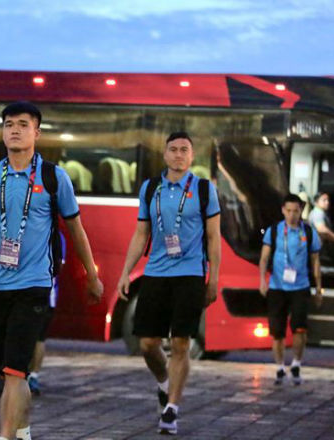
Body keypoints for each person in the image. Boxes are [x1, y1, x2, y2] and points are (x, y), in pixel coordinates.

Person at [0, 101, 103, 440]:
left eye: (22, 124)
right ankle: (23, 431)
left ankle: (5, 436)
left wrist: (92, 277)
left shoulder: (53, 177)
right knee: (7, 373)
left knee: (16, 370)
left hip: (33, 285)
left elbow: (76, 229)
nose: (15, 130)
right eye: (8, 124)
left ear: (37, 132)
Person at [116, 131, 221, 436]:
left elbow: (213, 237)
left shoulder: (204, 189)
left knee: (180, 342)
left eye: (184, 150)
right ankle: (164, 382)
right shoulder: (151, 188)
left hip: (190, 274)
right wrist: (125, 272)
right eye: (173, 149)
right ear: (165, 155)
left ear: (192, 156)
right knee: (147, 344)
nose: (178, 154)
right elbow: (141, 233)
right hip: (156, 273)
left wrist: (213, 277)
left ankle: (172, 409)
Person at [259, 193, 322, 386]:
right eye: (288, 211)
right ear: (283, 211)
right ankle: (279, 367)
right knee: (277, 332)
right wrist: (262, 280)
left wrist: (319, 288)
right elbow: (264, 258)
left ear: (301, 211)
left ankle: (296, 363)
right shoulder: (274, 231)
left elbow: (315, 261)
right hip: (277, 287)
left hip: (300, 287)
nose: (292, 215)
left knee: (299, 329)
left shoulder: (308, 232)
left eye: (296, 211)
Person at [27, 232, 66, 396]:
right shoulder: (57, 236)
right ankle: (29, 375)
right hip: (37, 293)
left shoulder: (56, 236)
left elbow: (59, 265)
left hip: (42, 294)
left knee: (37, 338)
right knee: (35, 338)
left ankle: (31, 375)